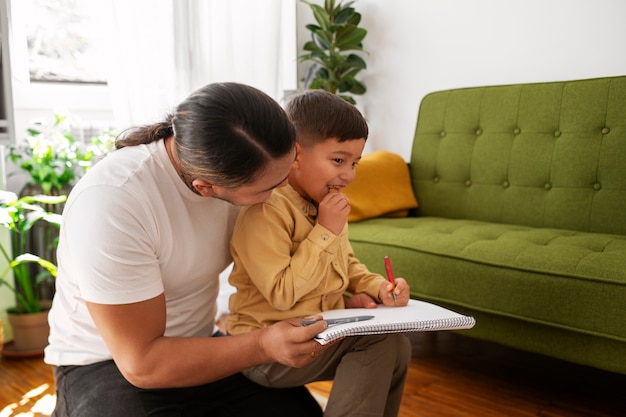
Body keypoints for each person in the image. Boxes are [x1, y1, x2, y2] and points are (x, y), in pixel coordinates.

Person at [44, 82, 342, 417]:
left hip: (201, 342)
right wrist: (262, 344)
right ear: (206, 187)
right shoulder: (113, 201)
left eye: (289, 170)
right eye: (270, 186)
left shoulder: (240, 162)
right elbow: (142, 363)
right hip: (106, 362)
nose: (284, 188)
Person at [226, 89, 413, 417]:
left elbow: (347, 262)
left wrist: (376, 287)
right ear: (295, 155)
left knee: (397, 343)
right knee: (379, 343)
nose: (349, 175)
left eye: (354, 162)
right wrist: (325, 230)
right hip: (266, 350)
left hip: (317, 329)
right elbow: (282, 295)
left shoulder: (326, 204)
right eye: (338, 160)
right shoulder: (266, 210)